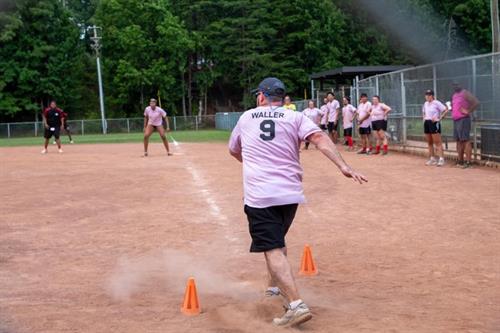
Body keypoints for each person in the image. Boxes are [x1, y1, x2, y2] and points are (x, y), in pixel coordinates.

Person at [228, 77, 367, 327]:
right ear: (281, 98)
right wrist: (343, 166)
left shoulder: (246, 117)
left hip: (261, 195)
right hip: (290, 194)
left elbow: (234, 150)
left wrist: (252, 164)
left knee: (271, 247)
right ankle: (273, 288)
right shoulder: (296, 117)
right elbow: (321, 139)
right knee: (276, 242)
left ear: (261, 96)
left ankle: (295, 305)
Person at [451, 82, 479, 169]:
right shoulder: (454, 95)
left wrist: (468, 111)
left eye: (457, 84)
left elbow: (476, 102)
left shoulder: (465, 93)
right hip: (456, 120)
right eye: (454, 85)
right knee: (458, 140)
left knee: (465, 140)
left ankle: (469, 162)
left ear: (461, 85)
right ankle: (460, 161)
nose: (456, 86)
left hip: (463, 119)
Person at [422, 89, 448, 166]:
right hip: (427, 122)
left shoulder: (436, 103)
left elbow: (445, 110)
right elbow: (424, 112)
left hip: (434, 123)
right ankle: (432, 158)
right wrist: (424, 118)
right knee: (429, 142)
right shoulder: (425, 103)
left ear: (432, 96)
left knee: (437, 142)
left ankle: (441, 159)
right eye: (426, 95)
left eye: (429, 95)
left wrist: (439, 118)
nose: (427, 96)